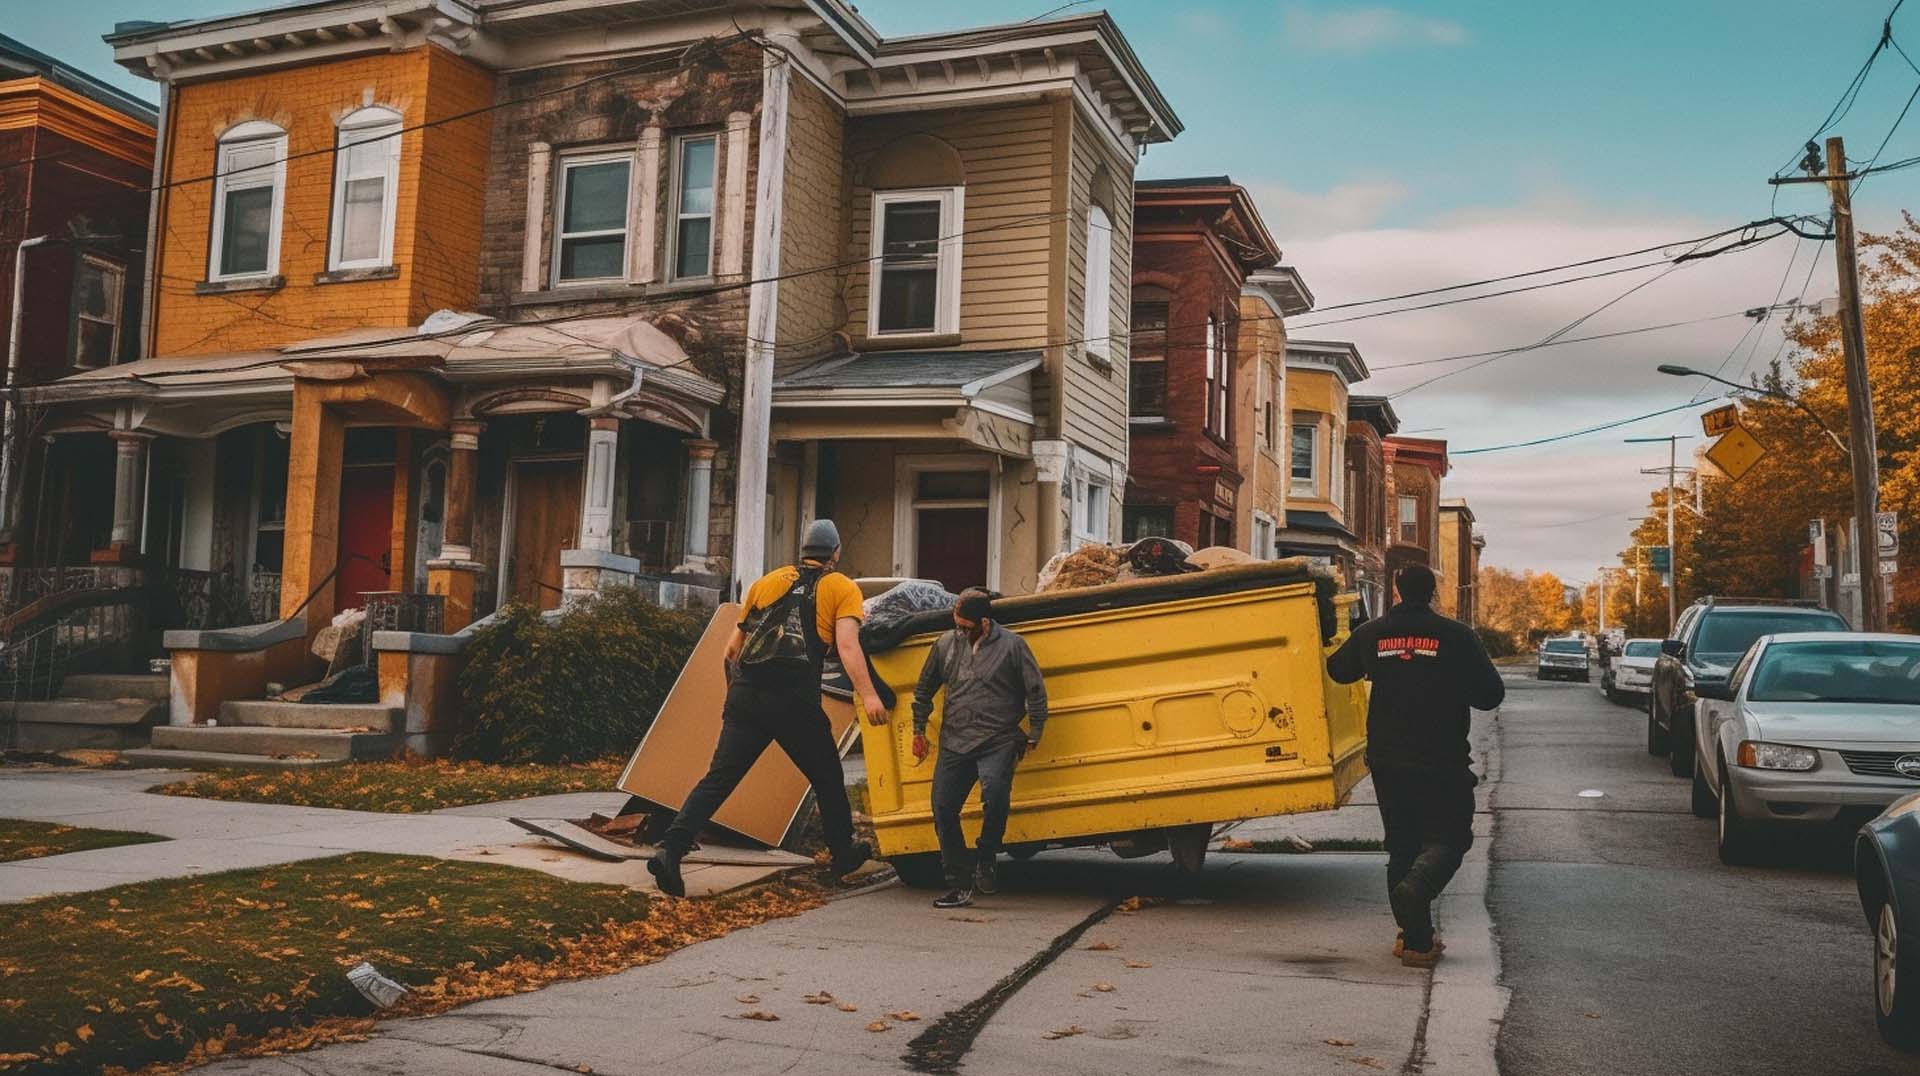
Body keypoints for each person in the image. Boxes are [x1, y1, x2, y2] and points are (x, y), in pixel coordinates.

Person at [647, 519, 883, 898]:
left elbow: (731, 652)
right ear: (835, 553)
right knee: (825, 776)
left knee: (718, 779)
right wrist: (869, 695)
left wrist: (735, 699)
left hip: (746, 695)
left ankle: (671, 850)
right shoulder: (841, 587)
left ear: (803, 549)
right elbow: (848, 646)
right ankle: (844, 854)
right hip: (793, 700)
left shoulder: (767, 582)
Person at [1327, 564, 1504, 967]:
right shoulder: (1457, 636)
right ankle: (1420, 890)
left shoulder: (1371, 634)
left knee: (1402, 846)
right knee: (1452, 838)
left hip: (1389, 759)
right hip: (1442, 758)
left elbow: (1338, 670)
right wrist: (1452, 679)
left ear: (1395, 591)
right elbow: (1490, 695)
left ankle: (1416, 943)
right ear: (1432, 594)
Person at [910, 588, 1049, 909]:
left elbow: (1035, 690)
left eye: (965, 626)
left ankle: (986, 855)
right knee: (943, 808)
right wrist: (919, 729)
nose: (960, 631)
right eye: (956, 624)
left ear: (984, 623)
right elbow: (923, 690)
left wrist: (1035, 730)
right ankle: (958, 884)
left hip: (998, 739)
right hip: (955, 741)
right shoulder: (944, 644)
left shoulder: (1013, 646)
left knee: (996, 795)